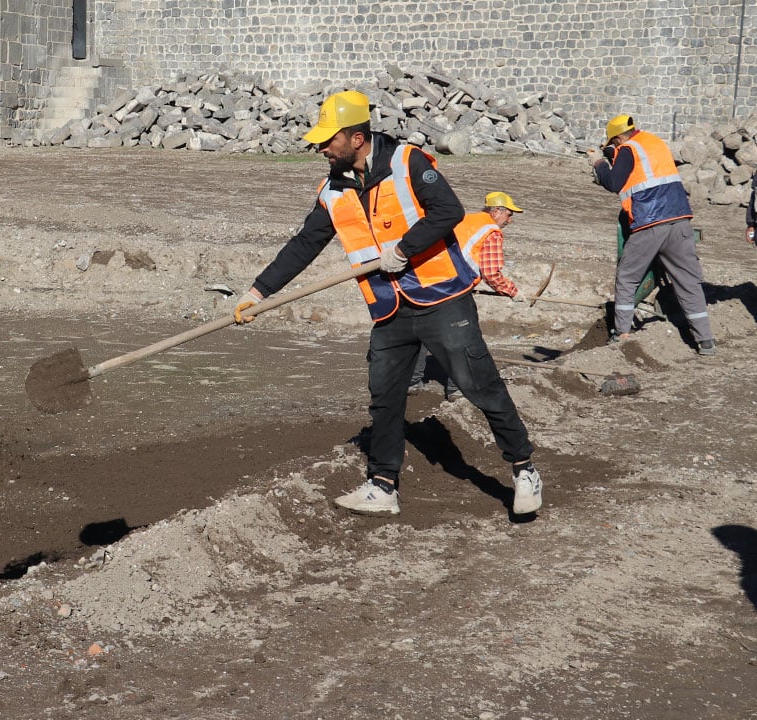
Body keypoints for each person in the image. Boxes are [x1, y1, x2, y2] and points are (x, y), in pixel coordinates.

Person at [231, 90, 542, 517]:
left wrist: (406, 249)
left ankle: (523, 468)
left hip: (443, 298)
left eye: (329, 140)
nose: (321, 148)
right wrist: (257, 292)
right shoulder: (333, 190)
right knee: (385, 397)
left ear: (356, 139)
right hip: (389, 308)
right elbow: (305, 244)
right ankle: (382, 485)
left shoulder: (407, 163)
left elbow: (448, 211)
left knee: (480, 385)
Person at [590, 114, 715, 355]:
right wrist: (609, 156)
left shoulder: (627, 148)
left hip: (650, 221)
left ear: (617, 138)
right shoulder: (654, 142)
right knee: (688, 280)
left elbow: (614, 182)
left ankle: (621, 333)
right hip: (679, 218)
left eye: (613, 143)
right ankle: (706, 340)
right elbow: (641, 170)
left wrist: (598, 163)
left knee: (627, 276)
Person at [410, 191, 527, 400]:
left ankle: (412, 380)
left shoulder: (464, 219)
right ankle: (458, 389)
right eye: (509, 214)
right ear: (497, 211)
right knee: (463, 336)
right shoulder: (491, 231)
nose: (510, 220)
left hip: (429, 281)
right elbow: (491, 272)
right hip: (454, 287)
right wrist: (512, 291)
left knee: (424, 332)